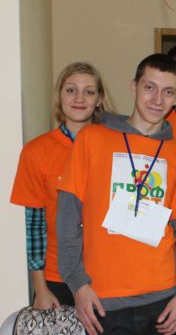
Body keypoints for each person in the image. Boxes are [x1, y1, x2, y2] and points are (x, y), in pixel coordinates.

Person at [56, 53, 176, 335]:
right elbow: (68, 218)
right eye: (149, 87)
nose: (157, 99)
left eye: (168, 91)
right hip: (104, 301)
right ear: (134, 86)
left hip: (165, 300)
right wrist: (78, 284)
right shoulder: (92, 139)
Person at [11, 62, 111, 309]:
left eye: (89, 92)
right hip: (58, 278)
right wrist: (40, 288)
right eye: (71, 90)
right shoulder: (36, 152)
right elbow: (34, 226)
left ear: (99, 99)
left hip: (107, 275)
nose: (79, 98)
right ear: (59, 95)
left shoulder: (116, 147)